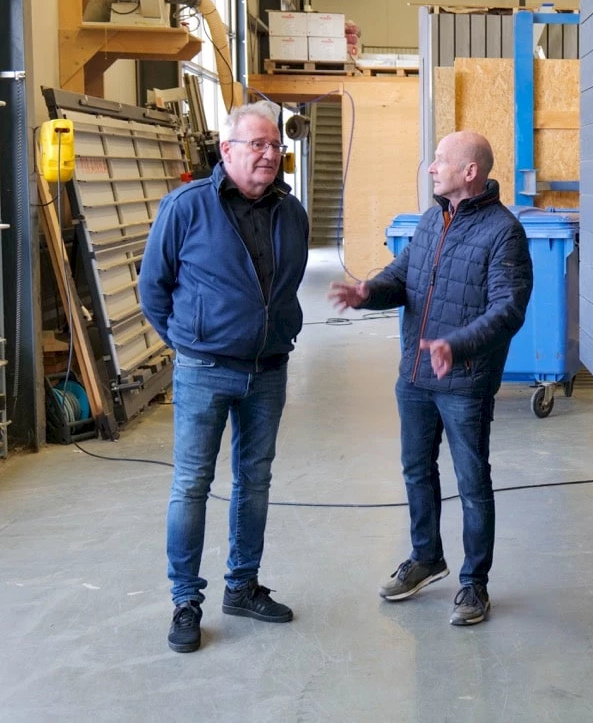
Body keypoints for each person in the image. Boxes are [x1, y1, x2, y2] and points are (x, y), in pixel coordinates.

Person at [328, 130, 532, 626]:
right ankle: (426, 557)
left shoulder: (504, 232)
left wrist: (455, 345)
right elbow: (401, 278)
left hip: (464, 381)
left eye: (440, 160)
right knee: (417, 470)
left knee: (472, 482)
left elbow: (508, 309)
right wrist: (367, 293)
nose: (431, 167)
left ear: (470, 171)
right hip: (416, 375)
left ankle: (474, 583)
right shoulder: (430, 220)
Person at [140, 101, 310, 653]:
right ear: (227, 150)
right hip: (204, 370)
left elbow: (288, 284)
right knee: (192, 484)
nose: (269, 154)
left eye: (275, 145)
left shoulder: (292, 212)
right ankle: (185, 600)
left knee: (254, 481)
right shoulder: (187, 206)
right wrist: (190, 340)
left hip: (268, 369)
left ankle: (242, 586)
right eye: (257, 144)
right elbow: (153, 287)